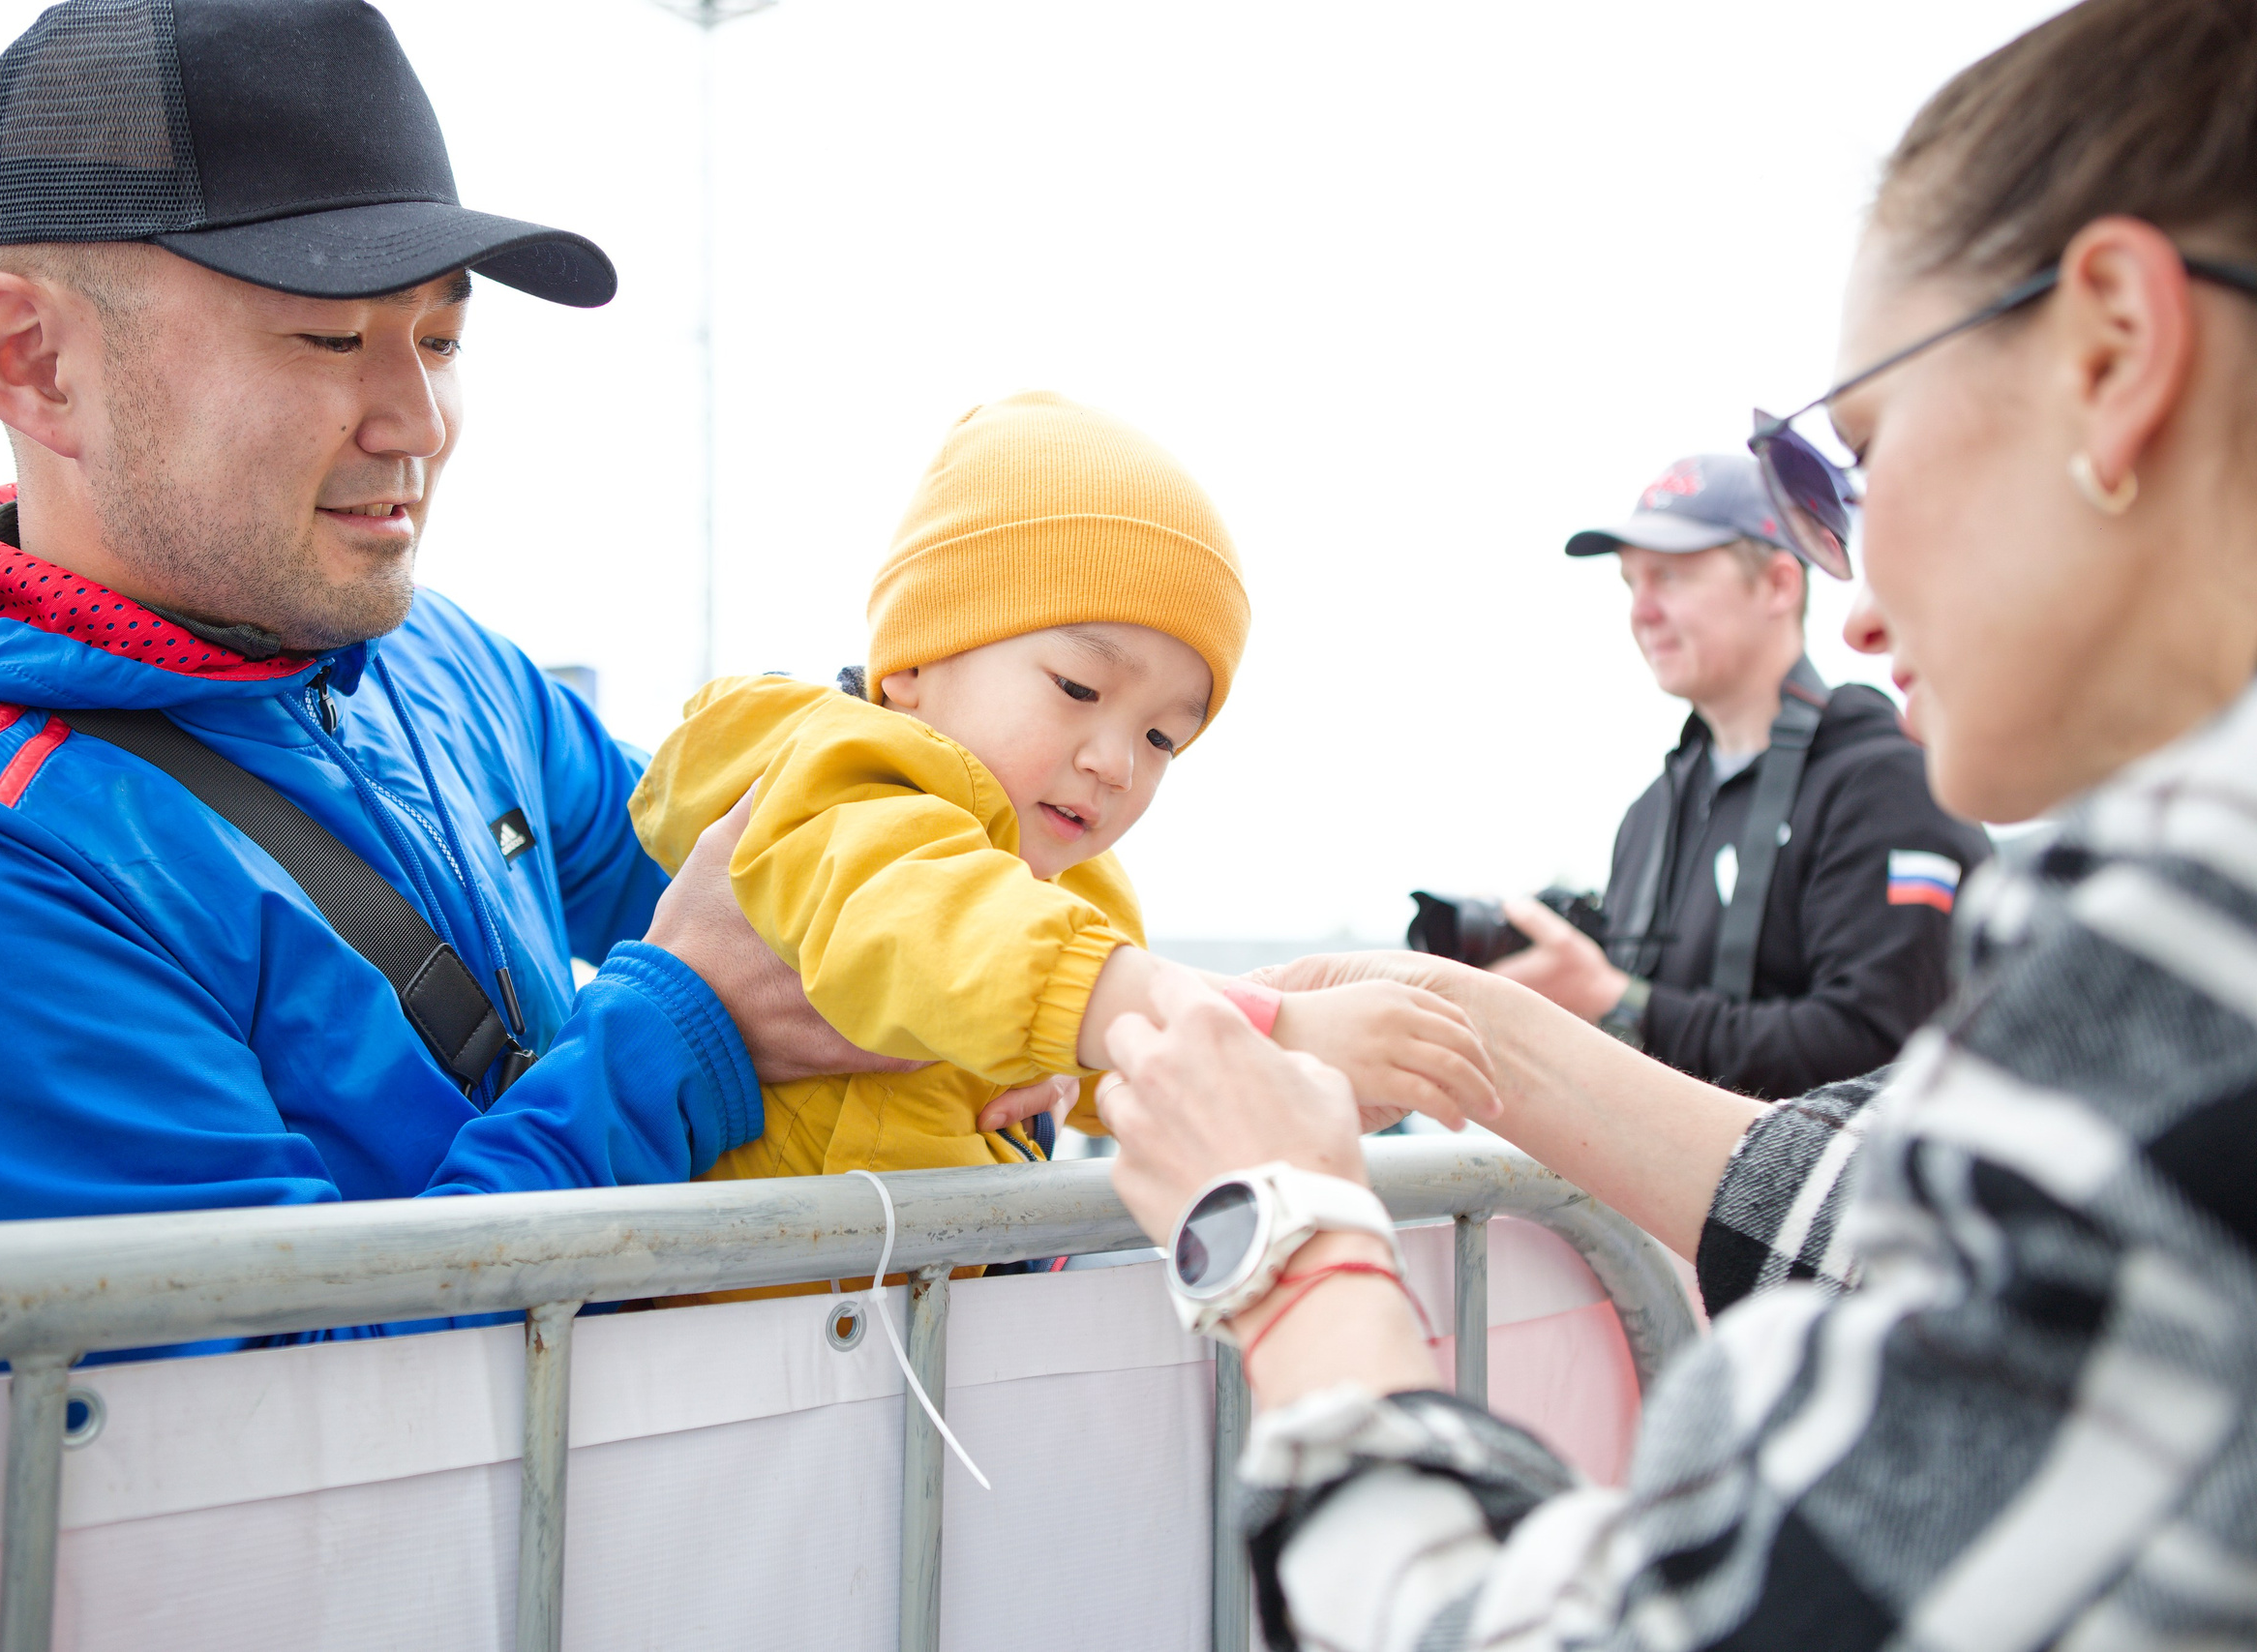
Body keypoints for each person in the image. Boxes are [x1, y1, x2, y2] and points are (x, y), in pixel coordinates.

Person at [1092, 0, 2257, 1642]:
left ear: (2116, 353)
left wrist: (1282, 1234)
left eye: (1851, 456)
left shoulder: (2181, 928)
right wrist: (1473, 1026)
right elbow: (1910, 1184)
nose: (1859, 597)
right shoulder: (1673, 807)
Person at [0, 0, 901, 1297]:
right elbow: (263, 1436)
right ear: (33, 361)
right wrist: (672, 1035)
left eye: (440, 335)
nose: (418, 420)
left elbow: (765, 895)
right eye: (329, 337)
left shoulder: (443, 663)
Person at [630, 393, 1489, 1207]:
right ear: (914, 664)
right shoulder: (844, 788)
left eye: (1163, 739)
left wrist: (1285, 1082)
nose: (1117, 762)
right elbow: (952, 931)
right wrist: (1273, 1031)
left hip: (911, 1329)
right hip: (742, 1332)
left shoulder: (1067, 885)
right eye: (1079, 687)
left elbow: (1098, 1041)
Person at [1491, 454, 1988, 1097]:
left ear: (1780, 585)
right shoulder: (1651, 814)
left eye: (1670, 575)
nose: (1642, 610)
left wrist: (1613, 999)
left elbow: (1880, 1047)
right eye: (1630, 582)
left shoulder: (1885, 778)